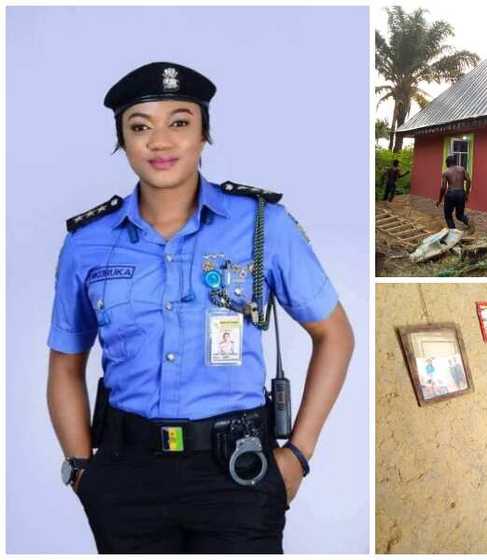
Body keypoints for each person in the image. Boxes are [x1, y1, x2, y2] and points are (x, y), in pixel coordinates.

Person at [47, 62, 356, 553]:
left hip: (238, 474)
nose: (160, 142)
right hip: (127, 477)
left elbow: (336, 335)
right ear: (123, 141)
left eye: (180, 122)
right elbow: (65, 365)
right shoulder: (87, 244)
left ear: (204, 133)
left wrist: (297, 455)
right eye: (140, 126)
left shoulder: (262, 226)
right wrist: (84, 472)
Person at [437, 155, 472, 231]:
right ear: (455, 162)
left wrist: (439, 199)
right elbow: (469, 180)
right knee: (459, 215)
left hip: (451, 194)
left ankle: (453, 232)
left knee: (448, 216)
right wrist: (466, 193)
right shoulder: (462, 169)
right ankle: (468, 221)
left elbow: (443, 187)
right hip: (461, 193)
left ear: (447, 163)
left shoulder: (446, 172)